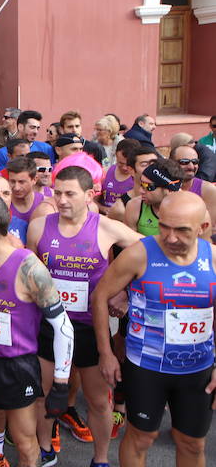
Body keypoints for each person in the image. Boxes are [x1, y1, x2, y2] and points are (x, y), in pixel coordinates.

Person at [28, 166, 143, 467]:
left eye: (70, 193)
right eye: (57, 193)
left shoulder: (106, 227)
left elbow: (150, 256)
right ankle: (45, 449)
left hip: (90, 328)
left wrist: (126, 293)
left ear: (90, 195)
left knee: (97, 400)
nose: (62, 200)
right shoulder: (39, 227)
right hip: (49, 327)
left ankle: (101, 459)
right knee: (43, 395)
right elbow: (26, 275)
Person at [92, 192, 216, 467]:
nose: (170, 237)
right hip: (146, 367)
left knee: (192, 443)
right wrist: (107, 353)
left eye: (181, 230)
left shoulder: (213, 258)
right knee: (141, 437)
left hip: (197, 369)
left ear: (202, 227)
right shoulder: (139, 253)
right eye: (164, 226)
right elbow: (100, 296)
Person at [0, 193, 74, 467]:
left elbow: (63, 327)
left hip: (17, 366)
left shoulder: (29, 267)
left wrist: (61, 382)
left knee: (25, 442)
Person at [124, 160, 184, 236]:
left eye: (148, 186)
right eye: (142, 184)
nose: (141, 190)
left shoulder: (189, 211)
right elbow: (128, 243)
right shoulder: (135, 206)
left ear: (170, 190)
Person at [98, 138, 141, 213]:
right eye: (120, 163)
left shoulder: (140, 178)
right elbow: (92, 201)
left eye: (128, 164)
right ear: (116, 156)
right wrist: (102, 208)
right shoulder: (105, 172)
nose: (124, 168)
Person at [7, 156, 45, 223]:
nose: (16, 188)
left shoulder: (44, 204)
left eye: (21, 182)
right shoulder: (3, 205)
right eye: (12, 181)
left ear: (34, 179)